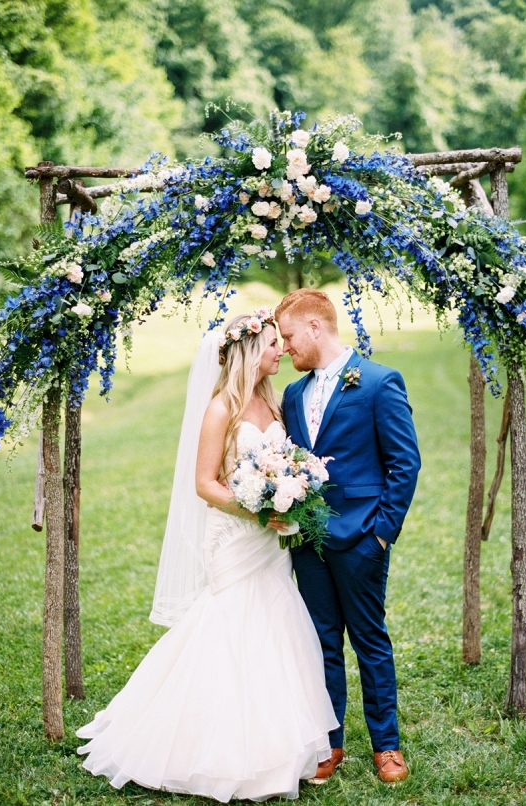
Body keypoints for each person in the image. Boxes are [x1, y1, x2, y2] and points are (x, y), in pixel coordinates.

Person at [76, 311, 338, 802]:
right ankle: (207, 747)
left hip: (269, 541)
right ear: (248, 353)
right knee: (228, 625)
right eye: (272, 345)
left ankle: (278, 747)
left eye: (282, 343)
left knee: (275, 624)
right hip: (235, 538)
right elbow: (203, 484)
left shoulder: (273, 402)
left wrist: (290, 492)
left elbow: (282, 463)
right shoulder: (221, 409)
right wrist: (257, 509)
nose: (281, 350)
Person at [276, 289, 421, 784]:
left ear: (316, 328)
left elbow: (405, 464)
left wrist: (381, 534)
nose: (286, 348)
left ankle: (387, 746)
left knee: (369, 640)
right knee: (320, 642)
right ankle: (329, 743)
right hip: (308, 539)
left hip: (362, 537)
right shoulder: (292, 395)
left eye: (291, 337)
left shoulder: (379, 383)